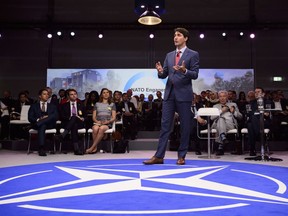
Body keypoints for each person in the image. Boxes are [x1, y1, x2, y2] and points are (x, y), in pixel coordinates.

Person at [143, 27, 199, 165]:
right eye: (174, 35)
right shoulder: (169, 55)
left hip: (184, 94)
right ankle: (159, 156)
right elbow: (165, 74)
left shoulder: (193, 54)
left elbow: (195, 74)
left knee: (185, 126)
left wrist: (185, 70)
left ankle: (181, 156)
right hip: (169, 94)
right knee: (165, 126)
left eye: (179, 35)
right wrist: (160, 71)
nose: (175, 37)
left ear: (185, 38)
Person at [211, 90, 243, 155]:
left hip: (230, 125)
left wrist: (234, 112)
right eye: (220, 96)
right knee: (220, 119)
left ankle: (221, 145)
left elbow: (240, 117)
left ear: (227, 97)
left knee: (221, 121)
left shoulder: (233, 105)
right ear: (218, 98)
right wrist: (221, 111)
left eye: (224, 96)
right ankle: (222, 137)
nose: (222, 98)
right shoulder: (215, 106)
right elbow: (212, 118)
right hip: (217, 124)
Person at [28, 88, 58, 156]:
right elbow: (30, 118)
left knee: (52, 116)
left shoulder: (52, 106)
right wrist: (39, 119)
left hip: (49, 125)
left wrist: (47, 117)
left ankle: (41, 148)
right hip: (38, 124)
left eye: (47, 94)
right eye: (44, 94)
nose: (46, 96)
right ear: (40, 96)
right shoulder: (34, 106)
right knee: (43, 125)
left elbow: (56, 117)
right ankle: (41, 148)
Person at [85, 88, 116, 154]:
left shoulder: (112, 104)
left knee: (101, 128)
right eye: (104, 92)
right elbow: (93, 117)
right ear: (101, 95)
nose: (106, 94)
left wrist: (107, 122)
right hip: (98, 122)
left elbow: (114, 117)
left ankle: (92, 147)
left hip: (107, 123)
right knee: (95, 128)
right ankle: (95, 148)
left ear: (109, 94)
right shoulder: (97, 104)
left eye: (107, 92)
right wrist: (97, 121)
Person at [57, 89, 86, 155]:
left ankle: (63, 135)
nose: (74, 96)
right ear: (68, 96)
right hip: (67, 123)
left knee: (74, 118)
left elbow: (86, 116)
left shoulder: (81, 105)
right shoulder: (64, 105)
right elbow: (61, 117)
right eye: (71, 94)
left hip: (79, 123)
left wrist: (82, 118)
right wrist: (69, 118)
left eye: (75, 94)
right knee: (74, 122)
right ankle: (76, 149)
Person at [246, 87, 272, 156]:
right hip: (256, 122)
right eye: (255, 92)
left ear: (263, 94)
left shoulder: (268, 102)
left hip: (264, 122)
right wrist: (260, 113)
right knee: (250, 125)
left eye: (258, 92)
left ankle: (252, 149)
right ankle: (260, 138)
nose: (256, 93)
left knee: (251, 123)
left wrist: (258, 113)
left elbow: (268, 114)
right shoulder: (251, 102)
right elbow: (248, 113)